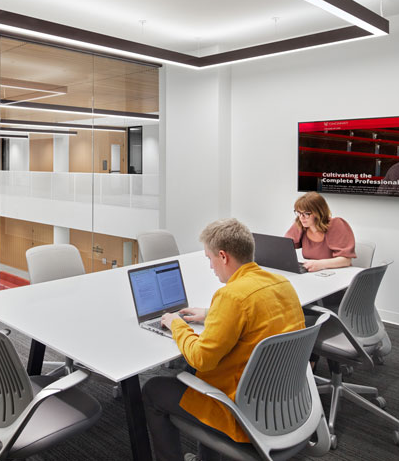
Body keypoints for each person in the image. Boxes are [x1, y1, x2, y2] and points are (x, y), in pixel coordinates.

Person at [143, 218, 305, 461]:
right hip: (281, 404)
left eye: (209, 258)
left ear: (223, 256)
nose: (210, 266)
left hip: (241, 410)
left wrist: (176, 324)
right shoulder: (281, 283)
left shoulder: (231, 296)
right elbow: (257, 318)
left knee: (153, 389)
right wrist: (210, 314)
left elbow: (201, 360)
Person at [284, 192, 356, 272]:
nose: (301, 217)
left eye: (306, 213)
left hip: (336, 273)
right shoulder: (301, 224)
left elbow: (346, 260)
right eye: (299, 213)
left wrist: (320, 264)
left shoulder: (336, 224)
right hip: (313, 273)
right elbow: (283, 247)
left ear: (319, 213)